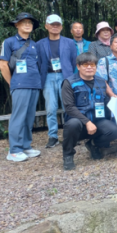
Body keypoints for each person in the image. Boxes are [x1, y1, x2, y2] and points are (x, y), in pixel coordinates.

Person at [61, 52, 117, 170]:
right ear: (78, 66)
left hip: (97, 120)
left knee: (114, 130)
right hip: (78, 122)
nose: (89, 67)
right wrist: (87, 122)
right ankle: (68, 155)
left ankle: (94, 144)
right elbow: (69, 107)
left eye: (92, 65)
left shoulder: (101, 81)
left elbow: (108, 101)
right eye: (85, 65)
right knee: (72, 124)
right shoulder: (69, 83)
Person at [0, 12, 42, 162]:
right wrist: (12, 83)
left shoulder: (34, 44)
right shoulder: (9, 42)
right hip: (19, 84)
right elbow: (3, 65)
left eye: (30, 22)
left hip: (34, 84)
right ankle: (14, 150)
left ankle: (25, 146)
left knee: (29, 116)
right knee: (18, 116)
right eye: (24, 22)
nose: (27, 24)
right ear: (16, 25)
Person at [36, 14, 77, 148]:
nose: (55, 27)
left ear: (61, 27)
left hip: (65, 76)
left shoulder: (69, 42)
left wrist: (72, 78)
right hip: (48, 76)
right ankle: (53, 136)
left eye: (57, 25)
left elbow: (73, 61)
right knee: (50, 108)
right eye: (52, 24)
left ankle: (69, 134)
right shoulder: (39, 44)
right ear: (46, 26)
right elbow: (39, 63)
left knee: (68, 107)